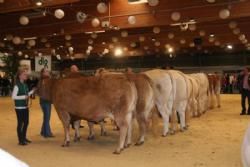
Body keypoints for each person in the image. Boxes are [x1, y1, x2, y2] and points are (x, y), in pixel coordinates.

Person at [12, 68, 34, 146]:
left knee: (26, 122)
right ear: (20, 76)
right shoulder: (17, 86)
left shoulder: (25, 85)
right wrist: (23, 97)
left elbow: (27, 94)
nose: (26, 75)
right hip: (19, 107)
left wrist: (33, 91)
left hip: (25, 107)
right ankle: (20, 140)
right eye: (24, 74)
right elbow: (13, 97)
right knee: (20, 123)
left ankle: (24, 138)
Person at [39, 68, 54, 138]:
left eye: (48, 71)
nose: (48, 72)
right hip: (46, 101)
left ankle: (43, 131)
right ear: (43, 73)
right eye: (46, 71)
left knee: (46, 117)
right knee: (47, 118)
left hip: (43, 101)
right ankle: (47, 133)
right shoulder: (46, 80)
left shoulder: (41, 80)